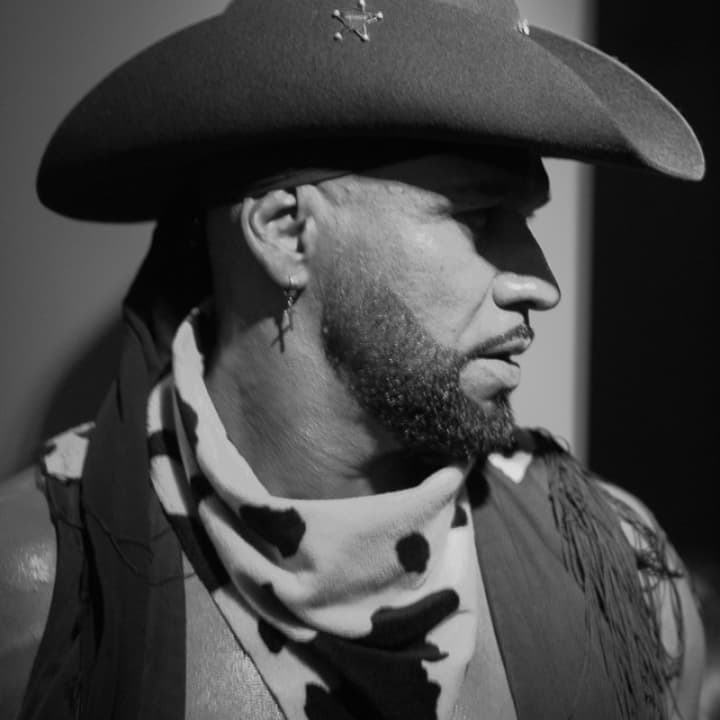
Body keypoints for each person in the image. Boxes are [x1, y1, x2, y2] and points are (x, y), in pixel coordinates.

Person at [0, 0, 708, 718]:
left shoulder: (622, 577)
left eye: (524, 220)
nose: (541, 285)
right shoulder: (43, 593)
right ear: (286, 232)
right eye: (478, 216)